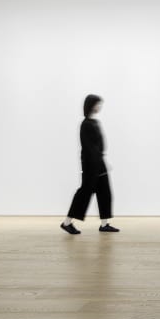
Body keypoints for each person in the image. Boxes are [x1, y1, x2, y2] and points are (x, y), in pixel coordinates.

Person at [61, 94, 119, 234]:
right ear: (91, 105)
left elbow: (99, 146)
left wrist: (103, 162)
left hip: (99, 163)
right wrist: (96, 165)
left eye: (100, 104)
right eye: (97, 104)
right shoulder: (86, 124)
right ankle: (66, 223)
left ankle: (104, 224)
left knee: (105, 193)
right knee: (84, 194)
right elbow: (88, 148)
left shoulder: (95, 122)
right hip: (91, 165)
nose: (99, 107)